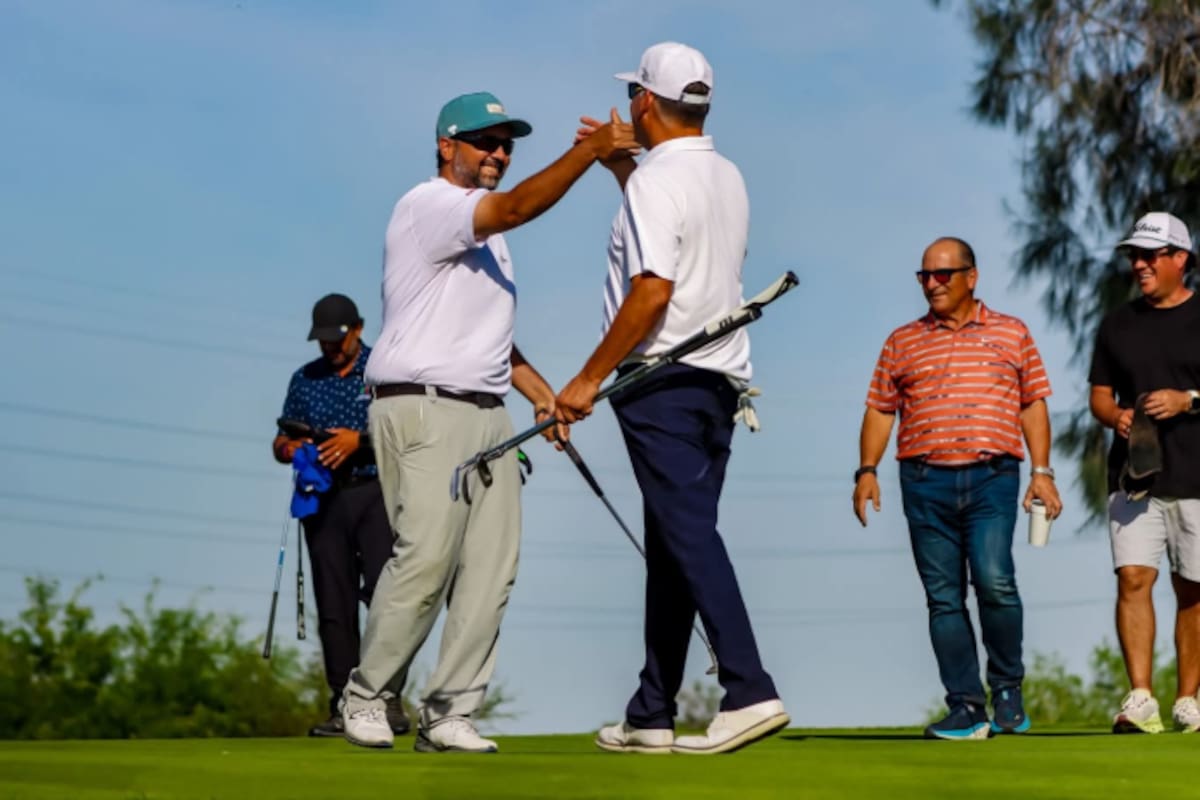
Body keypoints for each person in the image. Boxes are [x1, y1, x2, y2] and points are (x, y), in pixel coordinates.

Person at [339, 92, 638, 753]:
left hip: (487, 412)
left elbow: (488, 338)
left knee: (490, 569)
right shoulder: (429, 206)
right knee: (425, 559)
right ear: (446, 145)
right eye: (485, 142)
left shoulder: (487, 239)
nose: (499, 153)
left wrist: (541, 394)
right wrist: (591, 151)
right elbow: (518, 206)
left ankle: (449, 711)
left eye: (506, 144)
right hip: (421, 406)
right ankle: (366, 696)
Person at [556, 42, 789, 755]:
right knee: (674, 542)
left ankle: (749, 689)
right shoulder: (725, 174)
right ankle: (651, 710)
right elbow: (675, 234)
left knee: (687, 536)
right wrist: (620, 168)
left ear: (646, 104)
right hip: (718, 383)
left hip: (661, 383)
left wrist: (587, 379)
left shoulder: (657, 183)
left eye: (634, 94)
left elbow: (653, 290)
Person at [852, 237, 1063, 741]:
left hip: (993, 477)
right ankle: (966, 707)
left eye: (942, 275)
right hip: (925, 482)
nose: (932, 284)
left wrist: (1042, 471)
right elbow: (880, 408)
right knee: (943, 598)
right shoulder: (902, 341)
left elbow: (1032, 402)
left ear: (972, 276)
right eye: (924, 276)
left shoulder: (1012, 332)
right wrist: (866, 471)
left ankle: (1007, 690)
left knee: (995, 582)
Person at [1088, 211, 1200, 734]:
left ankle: (1188, 699)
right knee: (1133, 578)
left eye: (1151, 255)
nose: (1139, 264)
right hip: (1134, 478)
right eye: (1135, 255)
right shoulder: (1117, 324)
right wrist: (1116, 416)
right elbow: (1099, 396)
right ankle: (1141, 698)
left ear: (1181, 258)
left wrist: (1187, 400)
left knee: (1193, 588)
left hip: (1197, 477)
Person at [272, 293, 403, 738]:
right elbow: (280, 439)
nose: (329, 347)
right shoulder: (305, 379)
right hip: (324, 499)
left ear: (358, 330)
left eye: (337, 338)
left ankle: (386, 698)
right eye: (323, 340)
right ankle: (343, 703)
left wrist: (357, 441)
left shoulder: (383, 368)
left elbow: (404, 432)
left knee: (386, 595)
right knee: (334, 603)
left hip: (376, 491)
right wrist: (291, 447)